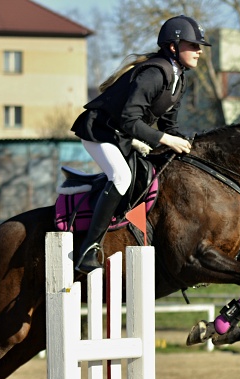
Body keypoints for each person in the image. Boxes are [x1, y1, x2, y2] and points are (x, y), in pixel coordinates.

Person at [70, 14, 211, 274]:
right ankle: (88, 249)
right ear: (173, 46)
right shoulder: (155, 73)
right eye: (193, 45)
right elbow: (128, 119)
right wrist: (166, 140)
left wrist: (190, 146)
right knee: (122, 177)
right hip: (99, 131)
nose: (199, 51)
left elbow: (170, 126)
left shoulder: (179, 78)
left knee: (150, 172)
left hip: (122, 134)